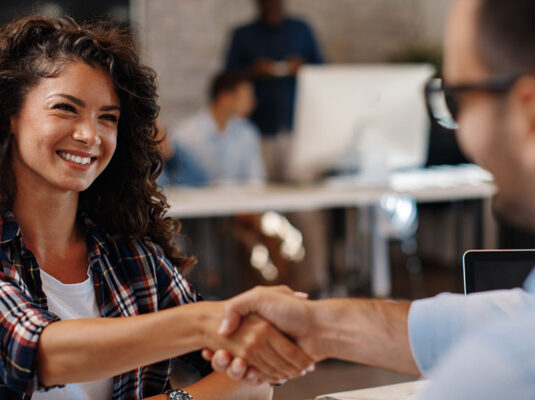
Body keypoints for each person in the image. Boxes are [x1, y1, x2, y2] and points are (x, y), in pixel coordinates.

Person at [205, 0, 535, 398]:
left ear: (532, 120)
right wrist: (317, 326)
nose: (460, 131)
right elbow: (520, 313)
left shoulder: (511, 374)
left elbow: (521, 338)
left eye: (459, 99)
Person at [0, 16, 314, 400]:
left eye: (108, 118)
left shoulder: (133, 257)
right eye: (65, 108)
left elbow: (253, 376)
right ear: (10, 116)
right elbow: (36, 354)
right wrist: (204, 324)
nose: (90, 135)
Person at [225, 0, 324, 181]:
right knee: (262, 190)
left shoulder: (301, 29)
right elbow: (228, 77)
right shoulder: (243, 34)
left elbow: (323, 71)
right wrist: (253, 71)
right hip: (259, 127)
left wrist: (303, 68)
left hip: (297, 125)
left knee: (303, 193)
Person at [165, 71, 265, 185]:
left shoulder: (248, 133)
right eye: (246, 98)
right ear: (225, 98)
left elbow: (256, 180)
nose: (252, 104)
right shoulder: (186, 135)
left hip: (241, 201)